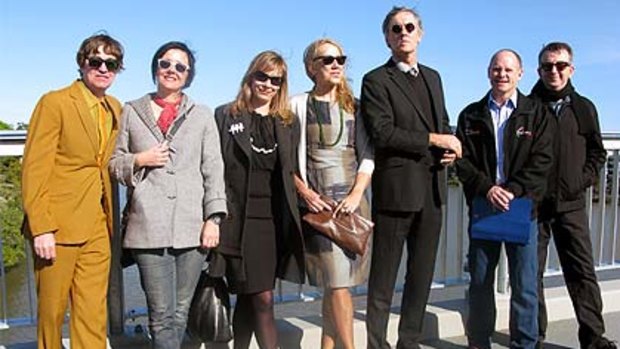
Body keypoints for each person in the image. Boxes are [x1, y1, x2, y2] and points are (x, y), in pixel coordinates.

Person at [109, 41, 227, 349]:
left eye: (180, 66)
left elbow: (213, 168)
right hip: (147, 227)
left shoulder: (202, 115)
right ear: (155, 68)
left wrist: (213, 218)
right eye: (165, 64)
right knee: (160, 315)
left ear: (188, 75)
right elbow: (113, 163)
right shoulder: (132, 111)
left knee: (180, 313)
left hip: (192, 227)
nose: (172, 70)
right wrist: (139, 159)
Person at [361, 6, 462, 349]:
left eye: (408, 27)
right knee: (383, 281)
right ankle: (377, 343)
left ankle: (409, 342)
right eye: (395, 28)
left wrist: (449, 147)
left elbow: (443, 122)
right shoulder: (375, 80)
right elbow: (383, 133)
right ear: (387, 38)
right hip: (396, 193)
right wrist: (436, 140)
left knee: (421, 279)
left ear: (420, 33)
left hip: (432, 192)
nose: (402, 32)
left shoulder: (433, 77)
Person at [21, 33, 124, 349]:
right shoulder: (54, 103)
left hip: (97, 223)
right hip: (57, 226)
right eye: (96, 61)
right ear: (82, 63)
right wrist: (42, 228)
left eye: (112, 63)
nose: (103, 68)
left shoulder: (115, 109)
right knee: (52, 313)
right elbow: (35, 168)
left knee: (92, 313)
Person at [455, 49, 554, 349]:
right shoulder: (470, 114)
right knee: (481, 283)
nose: (502, 74)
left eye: (509, 70)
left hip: (522, 209)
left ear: (520, 74)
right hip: (484, 208)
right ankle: (479, 341)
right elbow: (462, 162)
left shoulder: (537, 114)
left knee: (524, 286)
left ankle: (524, 343)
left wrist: (512, 190)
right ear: (488, 72)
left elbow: (543, 161)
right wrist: (487, 188)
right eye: (497, 69)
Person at [212, 50, 305, 349]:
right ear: (250, 76)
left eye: (275, 80)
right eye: (261, 76)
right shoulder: (226, 114)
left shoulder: (288, 122)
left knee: (251, 297)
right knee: (262, 298)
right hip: (238, 220)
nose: (267, 84)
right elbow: (213, 169)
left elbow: (292, 170)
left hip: (273, 222)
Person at [530, 42, 617, 349]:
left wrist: (580, 182)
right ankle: (533, 337)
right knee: (531, 275)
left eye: (560, 65)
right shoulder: (527, 107)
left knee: (582, 271)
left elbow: (596, 152)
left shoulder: (583, 107)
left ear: (571, 68)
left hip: (571, 204)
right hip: (534, 206)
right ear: (539, 70)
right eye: (547, 66)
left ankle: (593, 338)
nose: (554, 71)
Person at [290, 38, 374, 349]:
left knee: (335, 285)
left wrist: (356, 193)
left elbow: (367, 154)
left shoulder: (356, 106)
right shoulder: (297, 105)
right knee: (337, 284)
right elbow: (286, 160)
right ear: (311, 67)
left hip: (352, 205)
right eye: (327, 60)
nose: (336, 64)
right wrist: (304, 192)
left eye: (340, 58)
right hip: (318, 208)